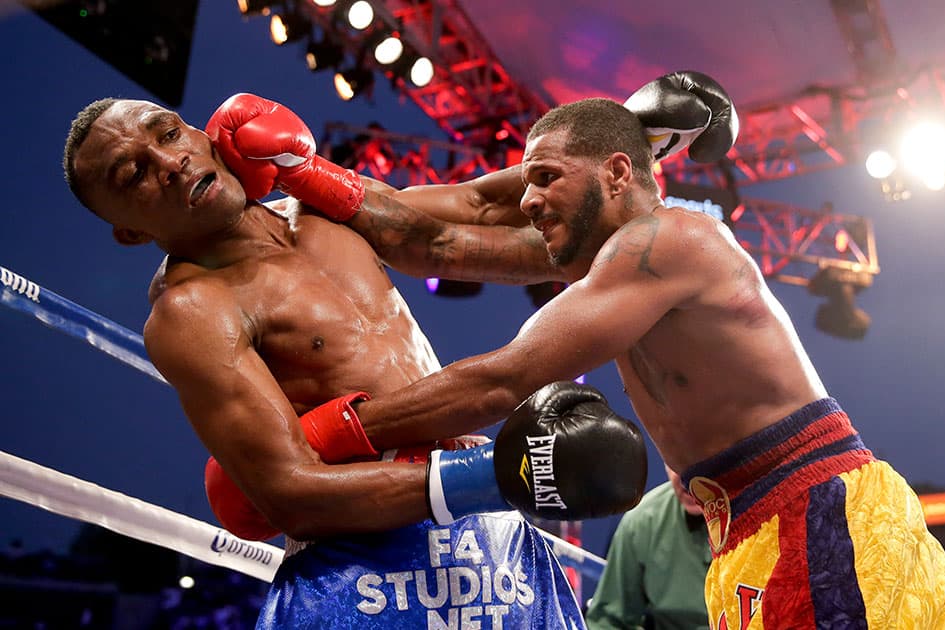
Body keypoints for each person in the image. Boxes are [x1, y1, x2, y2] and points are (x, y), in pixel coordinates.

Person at [259, 79, 945, 626]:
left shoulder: (668, 242)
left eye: (545, 178)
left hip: (810, 504)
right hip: (744, 525)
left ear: (615, 174)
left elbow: (502, 379)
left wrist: (319, 436)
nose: (529, 200)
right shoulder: (614, 264)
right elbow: (435, 238)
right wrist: (299, 175)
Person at [62, 89, 664, 627]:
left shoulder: (319, 206)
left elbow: (488, 212)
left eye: (168, 133)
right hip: (370, 570)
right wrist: (499, 475)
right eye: (133, 173)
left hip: (493, 541)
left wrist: (632, 141)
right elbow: (289, 495)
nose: (170, 164)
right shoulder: (192, 311)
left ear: (201, 131)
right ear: (130, 231)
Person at [586, 467, 711, 630]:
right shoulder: (642, 522)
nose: (685, 476)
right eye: (674, 461)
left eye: (695, 455)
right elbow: (607, 621)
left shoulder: (755, 519)